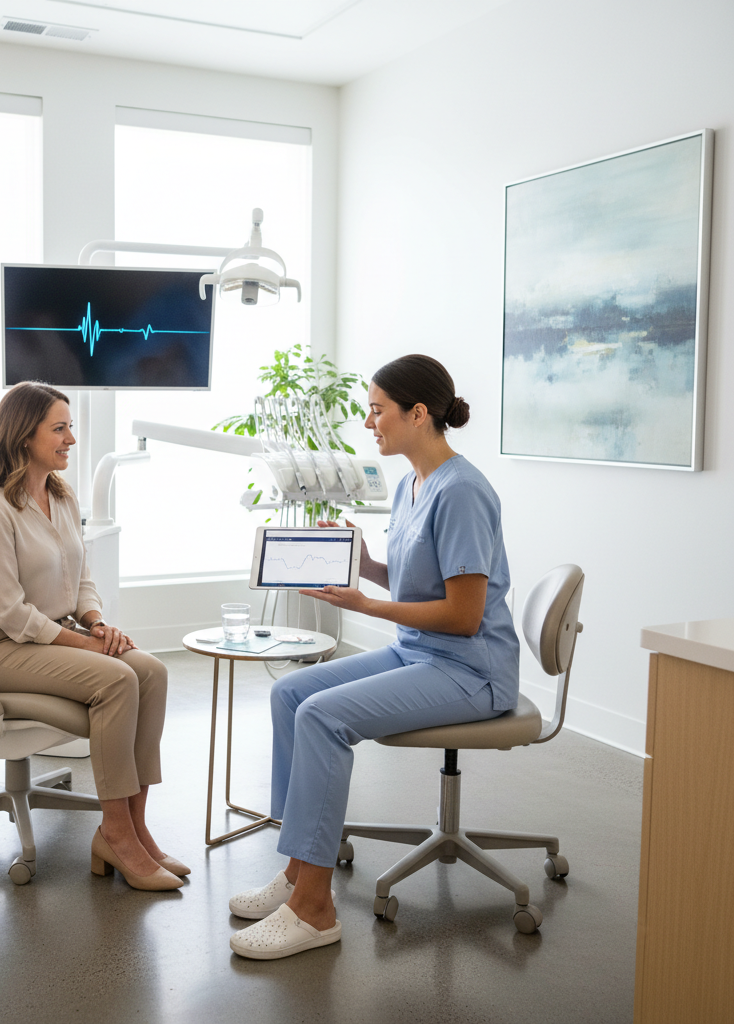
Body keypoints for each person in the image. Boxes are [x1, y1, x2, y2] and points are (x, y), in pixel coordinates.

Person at [228, 354, 519, 958]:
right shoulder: (413, 484)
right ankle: (297, 871)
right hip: (419, 652)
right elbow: (420, 584)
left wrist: (366, 606)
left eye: (376, 410)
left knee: (322, 716)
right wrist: (365, 566)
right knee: (290, 693)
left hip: (470, 670)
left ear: (418, 414)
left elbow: (464, 616)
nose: (367, 423)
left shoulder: (463, 493)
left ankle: (315, 908)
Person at [0, 381, 187, 892]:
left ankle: (136, 827)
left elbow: (80, 578)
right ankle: (115, 834)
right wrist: (84, 644)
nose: (71, 440)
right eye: (59, 429)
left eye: (71, 427)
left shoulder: (61, 496)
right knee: (116, 679)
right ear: (25, 435)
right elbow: (10, 613)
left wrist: (96, 622)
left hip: (54, 633)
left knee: (150, 671)